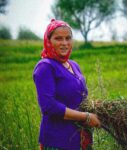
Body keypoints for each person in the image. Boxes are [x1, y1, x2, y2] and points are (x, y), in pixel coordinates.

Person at [33, 19, 101, 150]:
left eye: (68, 38)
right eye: (58, 38)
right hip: (59, 141)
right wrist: (86, 117)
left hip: (82, 137)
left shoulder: (74, 65)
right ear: (48, 41)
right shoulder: (45, 67)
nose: (64, 43)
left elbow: (79, 98)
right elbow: (49, 107)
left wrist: (93, 106)